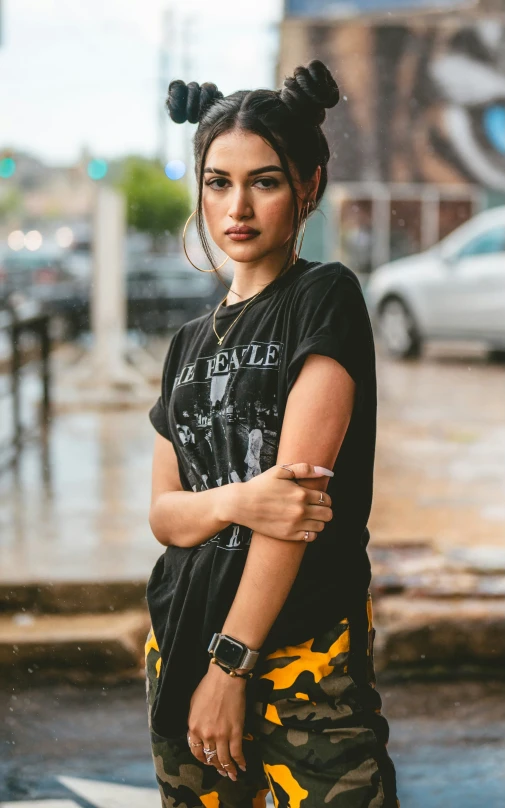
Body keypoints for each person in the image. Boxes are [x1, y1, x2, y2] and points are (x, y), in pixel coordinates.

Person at [146, 60, 400, 807]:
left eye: (265, 180)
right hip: (178, 645)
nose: (237, 207)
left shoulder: (323, 298)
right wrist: (236, 500)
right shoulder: (185, 343)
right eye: (218, 182)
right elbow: (164, 515)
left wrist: (231, 668)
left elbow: (293, 510)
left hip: (298, 654)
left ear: (308, 186)